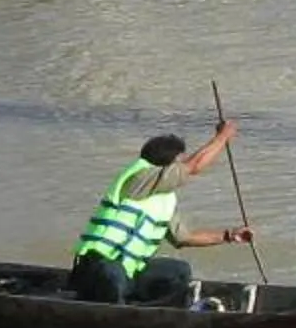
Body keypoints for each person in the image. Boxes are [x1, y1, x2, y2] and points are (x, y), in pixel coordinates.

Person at [68, 125, 253, 305]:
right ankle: (117, 313)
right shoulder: (140, 177)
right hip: (95, 268)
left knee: (179, 271)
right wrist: (223, 136)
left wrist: (229, 236)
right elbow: (194, 166)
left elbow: (183, 238)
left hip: (128, 271)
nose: (181, 167)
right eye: (178, 162)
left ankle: (146, 312)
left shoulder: (164, 200)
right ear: (165, 165)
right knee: (111, 272)